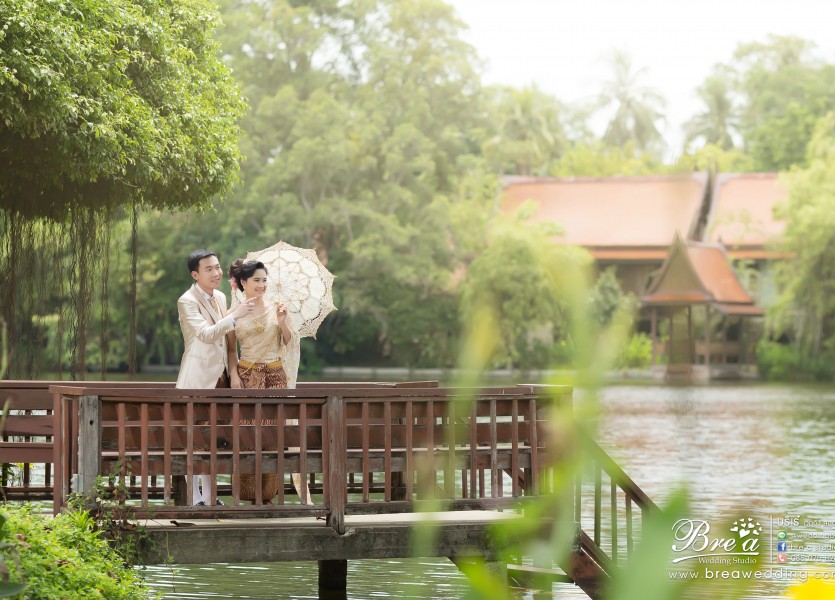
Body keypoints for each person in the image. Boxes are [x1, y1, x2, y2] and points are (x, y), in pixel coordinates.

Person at [175, 249, 255, 506]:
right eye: (209, 269)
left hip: (220, 378)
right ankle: (194, 497)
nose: (216, 272)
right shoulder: (186, 301)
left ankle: (210, 498)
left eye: (218, 267)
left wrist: (233, 373)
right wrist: (236, 315)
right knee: (195, 440)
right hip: (197, 379)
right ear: (195, 274)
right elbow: (207, 334)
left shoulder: (220, 296)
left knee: (214, 441)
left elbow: (229, 341)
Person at [228, 259, 312, 505]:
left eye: (264, 280)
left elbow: (288, 342)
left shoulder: (278, 307)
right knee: (247, 435)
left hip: (275, 376)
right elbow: (231, 351)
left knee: (273, 436)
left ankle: (268, 494)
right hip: (246, 375)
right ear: (243, 283)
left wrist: (283, 321)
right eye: (256, 280)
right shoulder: (233, 313)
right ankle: (246, 493)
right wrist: (234, 375)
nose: (262, 285)